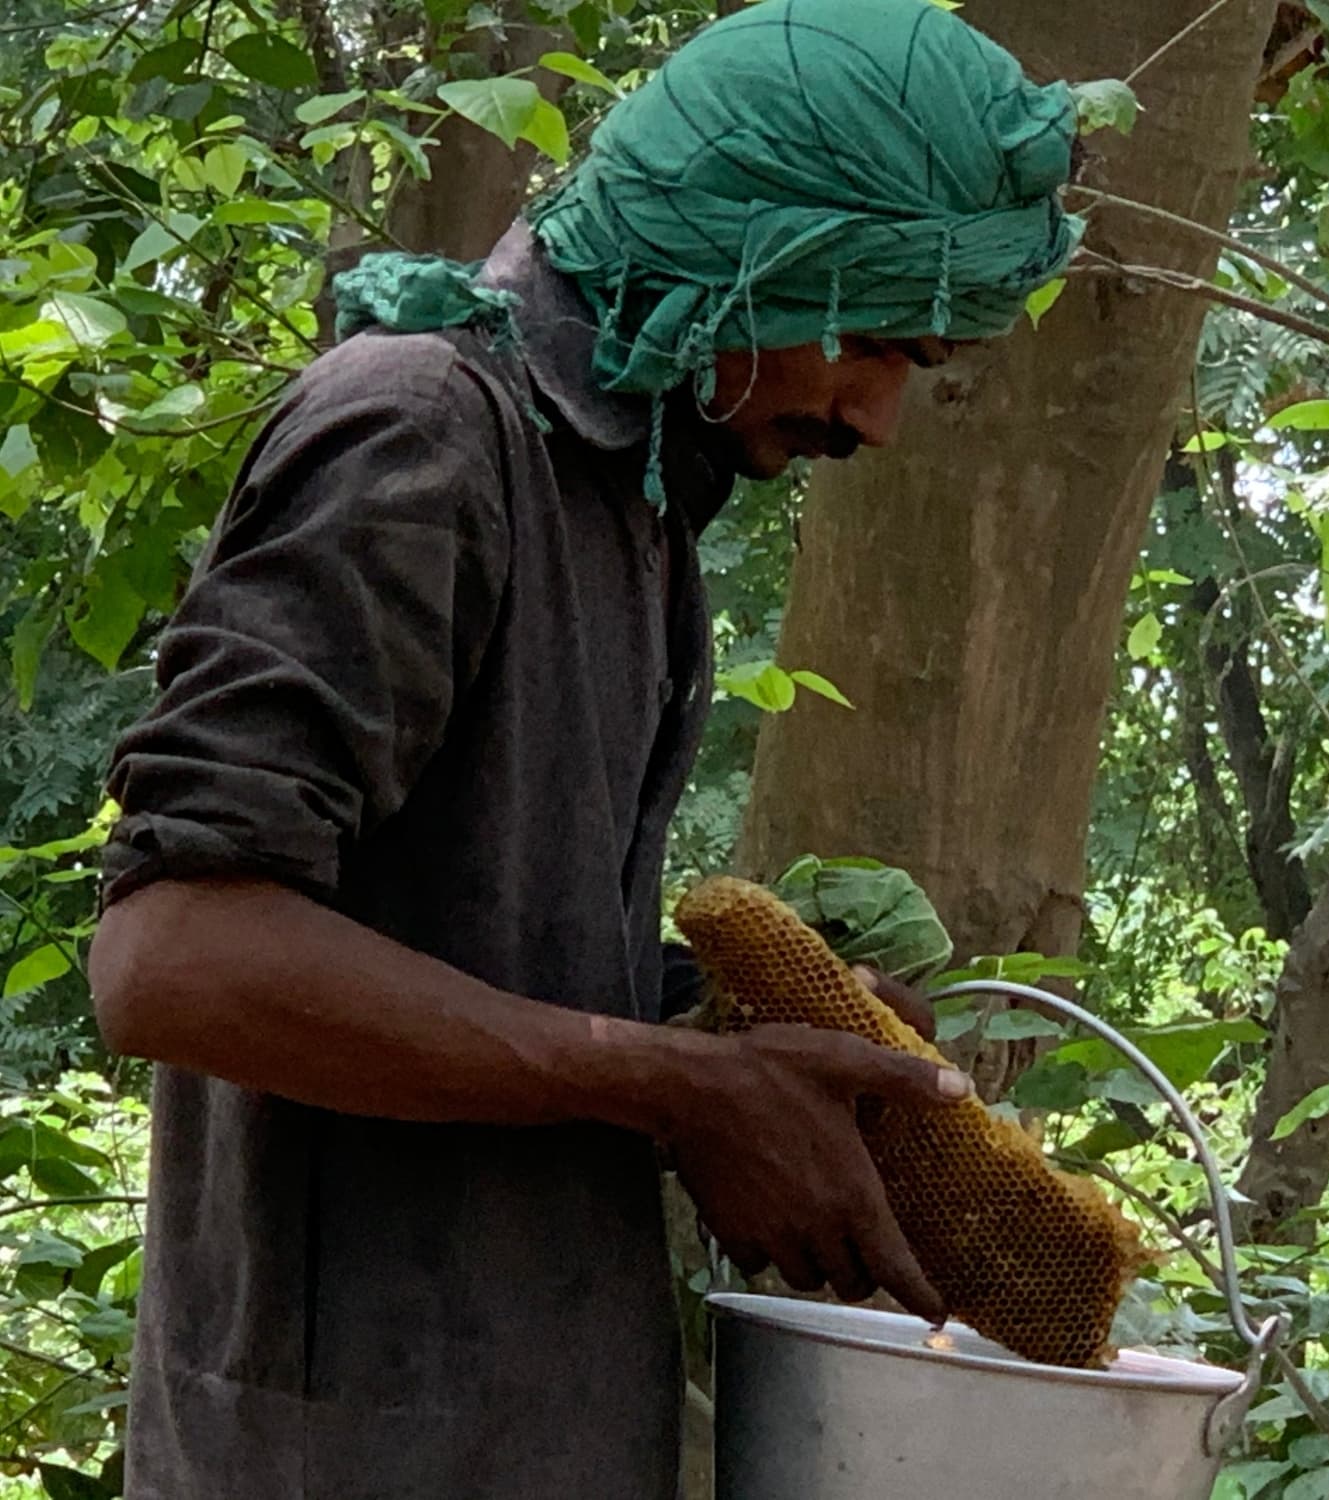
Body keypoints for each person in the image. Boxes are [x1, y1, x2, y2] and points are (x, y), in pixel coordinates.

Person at [86, 0, 1084, 1494]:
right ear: (750, 249)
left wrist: (741, 1038)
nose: (878, 418)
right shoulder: (420, 428)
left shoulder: (632, 499)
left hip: (545, 1433)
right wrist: (675, 1091)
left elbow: (486, 963)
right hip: (345, 1456)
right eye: (872, 340)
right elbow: (176, 956)